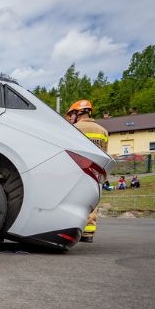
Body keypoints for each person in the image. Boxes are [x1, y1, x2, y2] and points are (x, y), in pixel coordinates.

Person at [66, 99, 109, 241]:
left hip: (77, 169)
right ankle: (88, 233)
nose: (71, 117)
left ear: (78, 113)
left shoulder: (74, 129)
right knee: (91, 201)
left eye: (72, 114)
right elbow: (105, 154)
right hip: (95, 171)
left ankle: (73, 229)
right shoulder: (103, 131)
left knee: (75, 200)